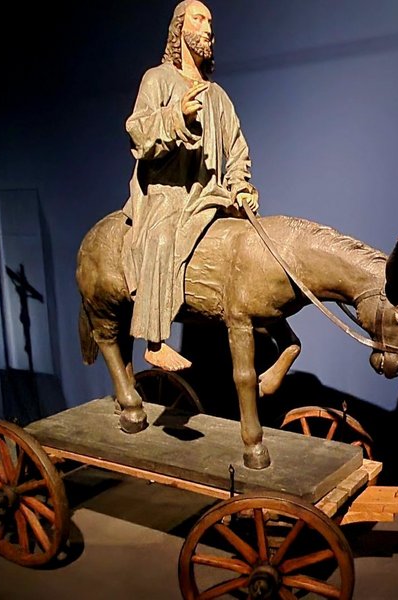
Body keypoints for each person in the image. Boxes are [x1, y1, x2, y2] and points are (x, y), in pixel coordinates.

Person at [121, 0, 259, 371]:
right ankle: (153, 341)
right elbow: (138, 132)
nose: (208, 29)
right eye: (199, 19)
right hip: (166, 193)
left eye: (210, 21)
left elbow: (237, 149)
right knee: (162, 238)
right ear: (180, 28)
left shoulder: (218, 97)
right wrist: (176, 115)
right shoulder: (157, 79)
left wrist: (240, 186)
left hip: (209, 195)